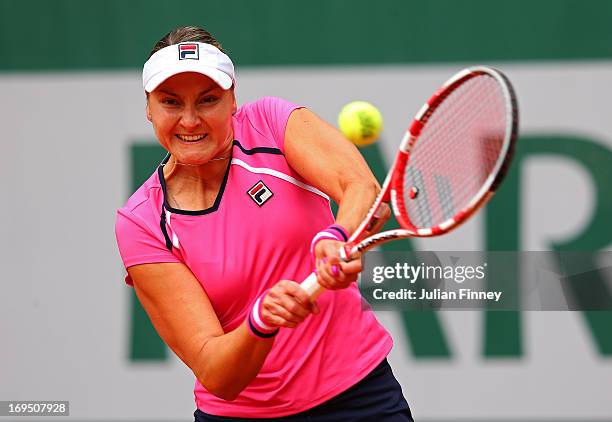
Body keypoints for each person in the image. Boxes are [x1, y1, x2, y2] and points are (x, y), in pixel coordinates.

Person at [115, 26, 414, 421]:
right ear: (149, 108)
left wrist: (337, 235)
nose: (189, 120)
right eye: (171, 103)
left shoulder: (271, 124)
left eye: (208, 100)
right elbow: (216, 372)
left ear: (233, 99)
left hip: (359, 397)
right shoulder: (142, 223)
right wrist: (262, 320)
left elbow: (359, 186)